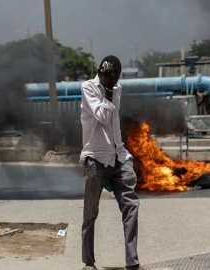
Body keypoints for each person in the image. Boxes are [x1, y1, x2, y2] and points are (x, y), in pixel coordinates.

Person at [80, 55, 143, 270]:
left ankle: (132, 263)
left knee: (131, 206)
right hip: (96, 157)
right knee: (90, 213)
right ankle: (88, 263)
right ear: (101, 72)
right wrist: (106, 90)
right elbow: (102, 116)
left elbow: (113, 124)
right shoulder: (88, 87)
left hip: (118, 156)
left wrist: (125, 154)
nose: (112, 81)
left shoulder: (117, 89)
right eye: (109, 76)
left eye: (115, 78)